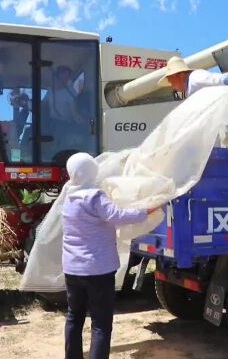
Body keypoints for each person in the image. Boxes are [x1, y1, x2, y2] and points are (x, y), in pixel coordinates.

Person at [62, 152, 156, 359]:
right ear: (91, 170)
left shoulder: (68, 196)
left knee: (74, 317)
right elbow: (118, 215)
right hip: (98, 269)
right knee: (101, 324)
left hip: (72, 269)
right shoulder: (95, 196)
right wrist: (146, 211)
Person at [157, 56, 228, 148]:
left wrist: (225, 80)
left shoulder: (195, 77)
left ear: (179, 75)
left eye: (171, 81)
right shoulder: (190, 89)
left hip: (227, 128)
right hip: (221, 131)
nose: (172, 86)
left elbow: (211, 78)